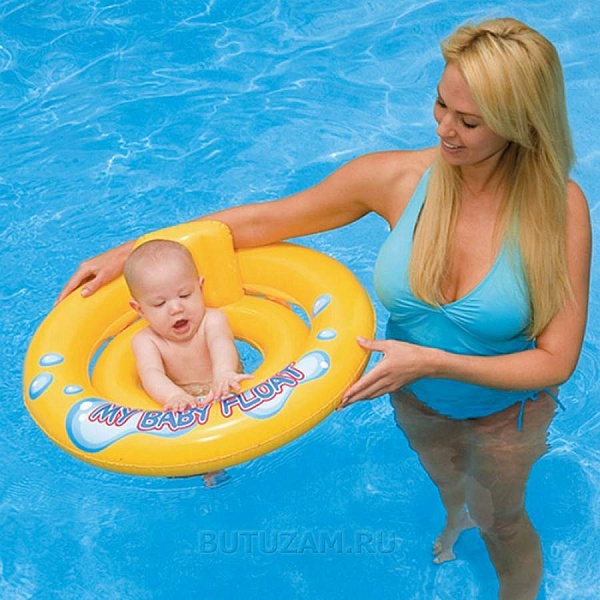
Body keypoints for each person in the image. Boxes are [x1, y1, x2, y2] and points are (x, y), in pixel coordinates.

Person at [58, 18, 591, 600]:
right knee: (449, 482)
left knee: (502, 521)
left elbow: (556, 360)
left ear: (519, 123)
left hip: (504, 411)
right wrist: (128, 253)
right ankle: (454, 516)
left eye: (468, 121)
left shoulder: (558, 209)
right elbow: (264, 221)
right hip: (412, 391)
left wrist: (432, 362)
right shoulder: (396, 178)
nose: (444, 128)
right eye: (441, 104)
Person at [123, 239, 251, 412]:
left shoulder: (212, 320)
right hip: (184, 397)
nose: (176, 308)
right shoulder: (146, 341)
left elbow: (220, 343)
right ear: (140, 309)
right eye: (160, 304)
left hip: (226, 386)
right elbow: (151, 373)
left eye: (184, 295)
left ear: (200, 288)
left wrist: (224, 373)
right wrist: (174, 396)